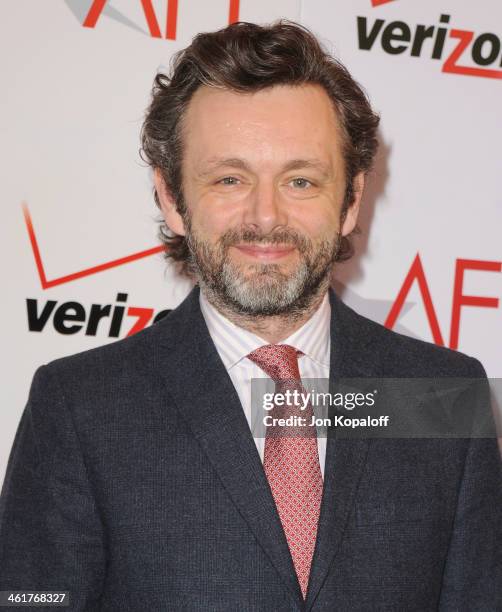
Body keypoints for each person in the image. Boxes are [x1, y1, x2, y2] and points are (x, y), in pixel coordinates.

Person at [1, 20, 501, 611]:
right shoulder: (79, 406)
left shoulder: (442, 394)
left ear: (350, 200)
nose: (266, 216)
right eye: (230, 178)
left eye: (300, 179)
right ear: (171, 198)